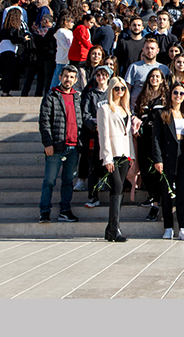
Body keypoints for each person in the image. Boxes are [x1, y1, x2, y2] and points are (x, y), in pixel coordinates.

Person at [38, 64, 82, 224]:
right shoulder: (51, 97)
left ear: (75, 80)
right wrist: (47, 143)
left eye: (71, 77)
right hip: (55, 147)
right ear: (60, 77)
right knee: (49, 181)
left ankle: (65, 210)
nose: (68, 79)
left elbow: (81, 121)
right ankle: (44, 211)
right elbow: (44, 122)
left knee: (68, 181)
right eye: (65, 76)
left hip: (74, 147)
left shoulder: (78, 97)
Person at [152, 82, 184, 240]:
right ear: (170, 95)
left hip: (183, 156)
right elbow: (156, 138)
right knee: (167, 192)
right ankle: (168, 227)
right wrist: (158, 158)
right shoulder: (162, 113)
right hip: (167, 156)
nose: (178, 96)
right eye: (176, 93)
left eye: (181, 94)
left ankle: (183, 227)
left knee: (183, 193)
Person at [98, 76, 137, 242]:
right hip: (112, 155)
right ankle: (114, 228)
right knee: (117, 187)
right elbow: (103, 135)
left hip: (125, 155)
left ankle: (111, 227)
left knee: (119, 189)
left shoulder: (126, 110)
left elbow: (128, 136)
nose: (120, 91)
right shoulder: (104, 108)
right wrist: (107, 158)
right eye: (116, 88)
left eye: (122, 88)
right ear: (111, 89)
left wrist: (132, 155)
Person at [134, 67, 169, 220]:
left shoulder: (166, 96)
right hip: (144, 137)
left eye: (157, 76)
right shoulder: (142, 96)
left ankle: (157, 201)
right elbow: (137, 114)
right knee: (145, 169)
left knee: (158, 169)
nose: (154, 79)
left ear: (162, 79)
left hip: (160, 138)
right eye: (152, 76)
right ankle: (152, 195)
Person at [80, 64, 111, 209]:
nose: (101, 77)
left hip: (110, 135)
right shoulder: (91, 94)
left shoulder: (112, 93)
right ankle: (93, 196)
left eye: (104, 75)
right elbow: (85, 114)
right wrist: (94, 126)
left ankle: (112, 194)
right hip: (95, 134)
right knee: (93, 166)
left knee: (110, 164)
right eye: (98, 75)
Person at [124, 38, 170, 110]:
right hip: (136, 110)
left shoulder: (164, 69)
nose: (150, 51)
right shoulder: (134, 67)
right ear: (143, 50)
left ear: (157, 50)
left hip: (157, 110)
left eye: (152, 48)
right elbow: (127, 91)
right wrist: (127, 109)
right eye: (147, 48)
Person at [0, 7, 30, 96]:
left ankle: (5, 90)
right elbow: (13, 39)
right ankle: (5, 91)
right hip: (10, 49)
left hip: (3, 48)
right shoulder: (13, 27)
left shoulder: (5, 26)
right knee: (10, 71)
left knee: (7, 71)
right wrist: (23, 39)